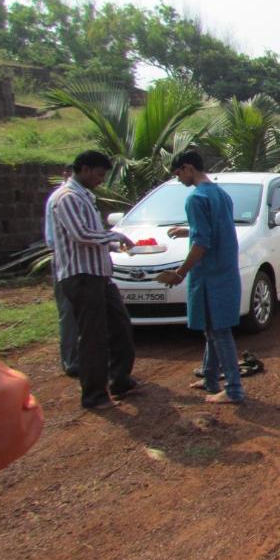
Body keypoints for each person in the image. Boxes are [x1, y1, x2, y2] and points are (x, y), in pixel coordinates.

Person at [52, 151, 139, 410]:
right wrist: (115, 237)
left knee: (120, 325)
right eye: (100, 174)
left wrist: (111, 242)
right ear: (86, 170)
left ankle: (119, 380)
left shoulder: (85, 197)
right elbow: (81, 234)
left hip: (100, 275)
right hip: (81, 276)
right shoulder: (67, 198)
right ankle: (93, 395)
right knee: (93, 336)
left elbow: (93, 235)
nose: (102, 180)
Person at [156, 151, 245, 404]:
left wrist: (179, 273)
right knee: (212, 329)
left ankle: (234, 389)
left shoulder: (195, 198)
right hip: (224, 270)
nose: (178, 180)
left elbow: (201, 243)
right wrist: (189, 230)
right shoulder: (221, 195)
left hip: (209, 275)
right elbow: (216, 230)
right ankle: (209, 377)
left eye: (178, 174)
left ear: (187, 168)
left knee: (219, 331)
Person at [44, 164, 80, 377]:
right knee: (68, 313)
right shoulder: (63, 198)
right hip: (65, 261)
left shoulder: (75, 196)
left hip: (73, 262)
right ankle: (71, 361)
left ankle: (78, 357)